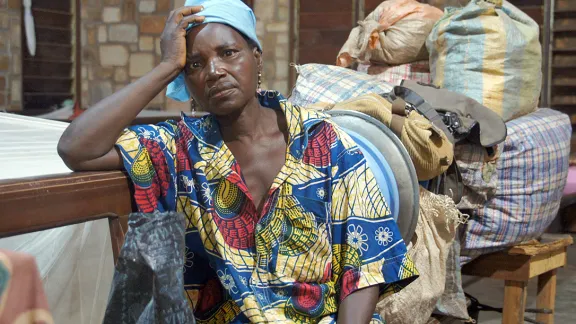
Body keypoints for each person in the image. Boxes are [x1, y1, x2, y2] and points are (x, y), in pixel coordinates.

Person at [57, 0, 417, 322]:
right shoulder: (180, 148)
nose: (214, 71)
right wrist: (167, 65)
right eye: (195, 64)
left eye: (228, 53)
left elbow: (366, 261)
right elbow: (77, 148)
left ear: (256, 57)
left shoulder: (322, 141)